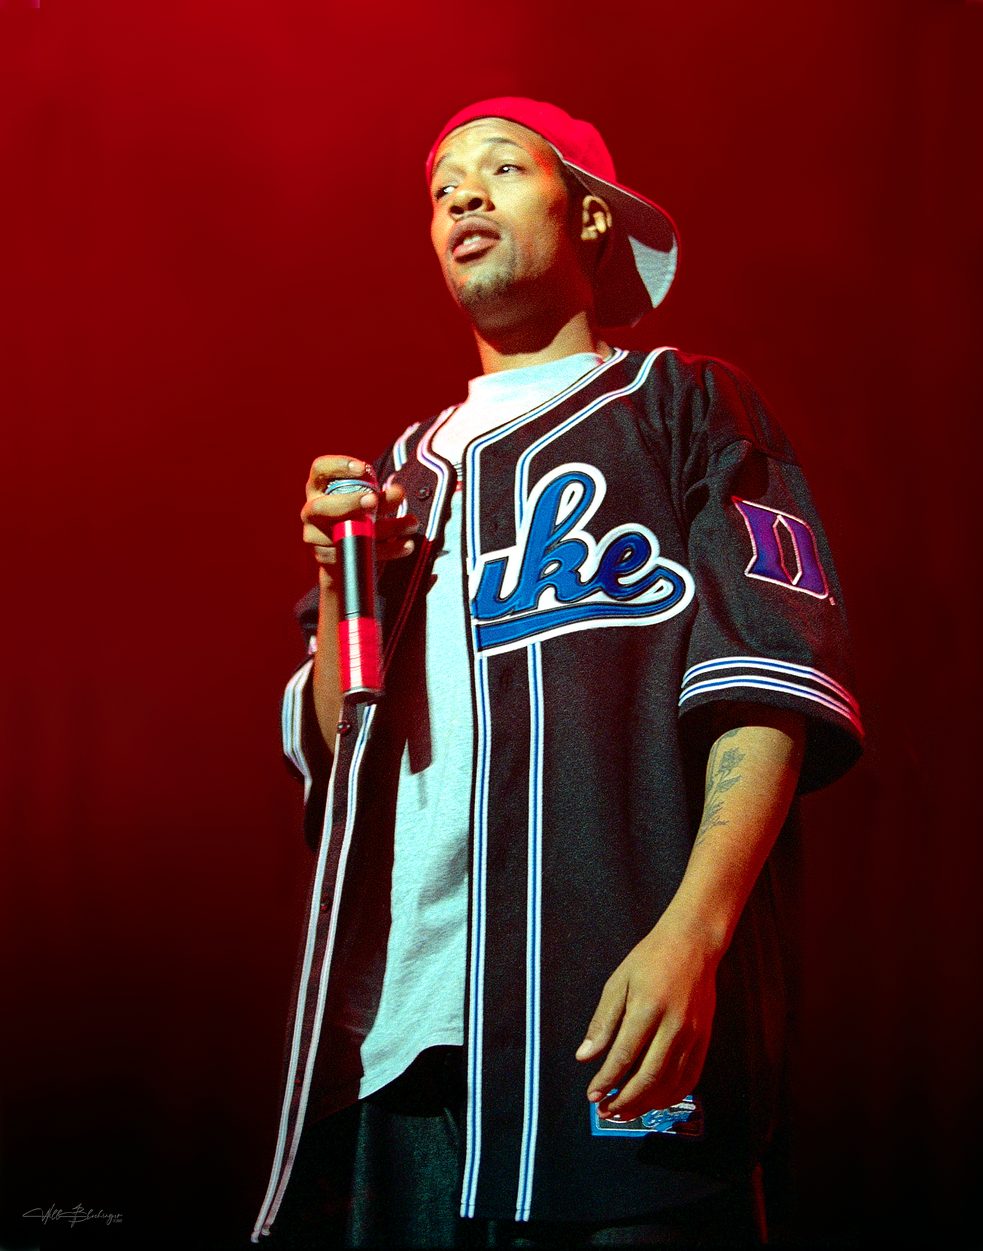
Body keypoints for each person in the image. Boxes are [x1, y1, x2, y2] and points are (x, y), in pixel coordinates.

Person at [250, 97, 863, 1248]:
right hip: (411, 1048)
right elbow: (338, 746)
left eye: (498, 168)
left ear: (586, 215)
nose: (460, 195)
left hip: (614, 1017)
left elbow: (767, 683)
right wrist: (340, 589)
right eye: (440, 187)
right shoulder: (397, 477)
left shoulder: (683, 405)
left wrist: (693, 937)